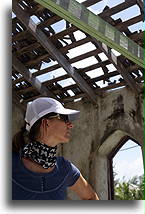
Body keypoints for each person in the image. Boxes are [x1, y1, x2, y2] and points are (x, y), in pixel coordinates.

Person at [12, 97, 99, 200]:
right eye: (64, 118)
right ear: (46, 122)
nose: (70, 125)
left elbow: (91, 197)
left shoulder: (65, 168)